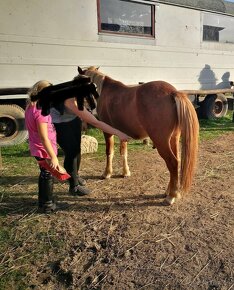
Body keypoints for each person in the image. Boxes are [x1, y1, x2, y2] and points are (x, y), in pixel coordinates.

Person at [50, 97, 131, 196]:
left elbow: (86, 112)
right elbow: (95, 122)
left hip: (72, 118)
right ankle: (74, 186)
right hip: (59, 123)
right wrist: (118, 133)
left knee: (77, 150)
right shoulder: (70, 100)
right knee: (71, 152)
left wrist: (83, 119)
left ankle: (75, 175)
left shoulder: (78, 99)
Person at [25, 80, 63, 213]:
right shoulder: (41, 112)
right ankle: (47, 205)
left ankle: (44, 201)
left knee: (44, 173)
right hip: (43, 149)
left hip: (37, 147)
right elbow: (43, 137)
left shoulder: (31, 106)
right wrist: (53, 156)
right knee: (47, 174)